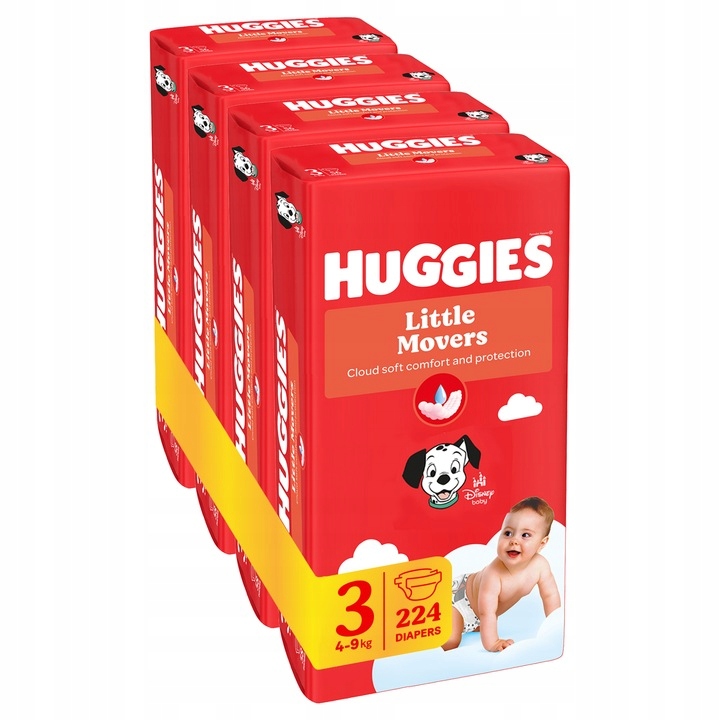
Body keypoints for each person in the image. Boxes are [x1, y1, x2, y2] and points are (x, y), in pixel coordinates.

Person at [442, 496, 561, 652]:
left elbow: (550, 595)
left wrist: (555, 626)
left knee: (478, 623)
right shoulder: (494, 574)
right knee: (451, 641)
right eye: (508, 533)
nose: (514, 541)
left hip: (477, 615)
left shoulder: (541, 566)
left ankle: (468, 625)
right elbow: (487, 612)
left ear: (542, 543)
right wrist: (493, 642)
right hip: (457, 599)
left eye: (525, 535)